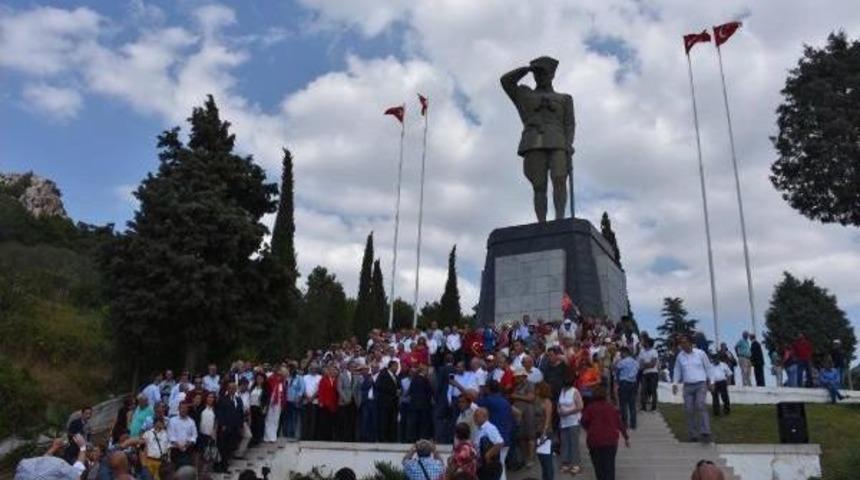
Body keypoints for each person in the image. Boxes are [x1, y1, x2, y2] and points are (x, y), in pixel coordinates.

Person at [580, 386, 629, 480]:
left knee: (598, 467)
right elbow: (619, 423)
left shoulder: (590, 408)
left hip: (594, 440)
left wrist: (589, 429)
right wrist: (626, 437)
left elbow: (583, 421)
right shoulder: (611, 408)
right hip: (610, 440)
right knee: (609, 466)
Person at [672, 335, 713, 443]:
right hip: (688, 386)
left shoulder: (700, 353)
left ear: (690, 343)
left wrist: (711, 381)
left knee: (700, 405)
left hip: (701, 384)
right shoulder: (680, 356)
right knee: (688, 409)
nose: (683, 345)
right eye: (681, 343)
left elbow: (708, 367)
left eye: (685, 342)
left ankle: (705, 432)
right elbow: (677, 370)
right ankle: (693, 434)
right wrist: (675, 383)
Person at [215, 382, 244, 472]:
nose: (232, 390)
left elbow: (240, 413)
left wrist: (240, 425)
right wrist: (222, 424)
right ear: (227, 389)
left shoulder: (238, 399)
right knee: (223, 447)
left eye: (234, 388)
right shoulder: (222, 399)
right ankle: (222, 466)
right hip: (225, 427)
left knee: (230, 447)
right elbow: (219, 413)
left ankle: (225, 464)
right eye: (230, 388)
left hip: (234, 427)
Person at [557, 375, 583, 475]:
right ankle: (565, 462)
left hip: (573, 421)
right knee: (565, 443)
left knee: (574, 443)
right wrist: (559, 411)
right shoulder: (562, 391)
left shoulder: (575, 392)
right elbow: (559, 404)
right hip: (563, 421)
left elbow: (580, 406)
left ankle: (576, 464)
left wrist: (568, 412)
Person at [509, 368, 536, 467]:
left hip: (528, 412)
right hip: (518, 414)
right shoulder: (517, 386)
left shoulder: (530, 384)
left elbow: (531, 398)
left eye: (518, 377)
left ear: (523, 377)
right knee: (521, 436)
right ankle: (525, 457)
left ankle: (531, 458)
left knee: (530, 436)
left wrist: (516, 396)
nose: (516, 379)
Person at [474, 407, 504, 480]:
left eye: (477, 416)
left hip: (489, 465)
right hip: (482, 465)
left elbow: (500, 443)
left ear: (485, 417)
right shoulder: (479, 429)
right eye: (474, 416)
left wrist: (488, 455)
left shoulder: (489, 428)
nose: (474, 418)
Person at [614, 347, 639, 430]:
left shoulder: (622, 362)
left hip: (624, 382)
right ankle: (633, 423)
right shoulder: (635, 362)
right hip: (633, 383)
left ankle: (624, 423)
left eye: (621, 353)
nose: (620, 355)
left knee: (623, 404)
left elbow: (616, 371)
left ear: (625, 353)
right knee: (632, 404)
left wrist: (617, 380)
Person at [375, 360, 400, 443]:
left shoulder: (396, 376)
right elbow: (379, 386)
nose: (397, 368)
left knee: (392, 422)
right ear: (391, 366)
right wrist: (394, 391)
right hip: (384, 403)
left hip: (393, 404)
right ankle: (383, 438)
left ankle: (391, 438)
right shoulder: (383, 374)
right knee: (384, 421)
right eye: (395, 366)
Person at [534, 383, 554, 480]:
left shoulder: (547, 402)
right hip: (537, 432)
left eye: (537, 389)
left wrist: (544, 432)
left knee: (547, 461)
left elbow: (548, 418)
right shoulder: (537, 401)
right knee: (542, 459)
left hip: (545, 433)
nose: (535, 390)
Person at [167, 402, 197, 467]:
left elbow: (194, 435)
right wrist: (178, 445)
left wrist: (187, 444)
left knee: (185, 471)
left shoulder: (191, 421)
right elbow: (170, 435)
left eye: (185, 408)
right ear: (178, 409)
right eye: (182, 408)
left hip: (188, 450)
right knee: (175, 470)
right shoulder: (172, 420)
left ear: (188, 409)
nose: (184, 410)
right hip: (175, 449)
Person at [637, 338, 659, 411]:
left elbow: (653, 364)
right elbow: (640, 363)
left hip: (653, 373)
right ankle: (643, 406)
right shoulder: (642, 351)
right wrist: (647, 364)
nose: (643, 344)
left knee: (653, 390)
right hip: (645, 373)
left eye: (645, 342)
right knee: (643, 390)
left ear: (648, 343)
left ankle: (654, 406)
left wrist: (645, 365)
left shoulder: (654, 351)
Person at [264, 367, 285, 442]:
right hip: (270, 401)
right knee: (269, 419)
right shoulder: (270, 379)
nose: (279, 375)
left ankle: (273, 436)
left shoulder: (281, 382)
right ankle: (267, 436)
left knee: (276, 420)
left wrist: (282, 403)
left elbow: (281, 393)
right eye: (278, 372)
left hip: (278, 402)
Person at [248, 373, 268, 446]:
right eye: (258, 378)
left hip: (259, 408)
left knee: (259, 424)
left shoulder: (265, 388)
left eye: (261, 378)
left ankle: (258, 440)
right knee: (252, 424)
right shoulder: (253, 387)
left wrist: (265, 408)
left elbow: (266, 399)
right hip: (252, 407)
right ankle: (252, 440)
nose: (259, 380)